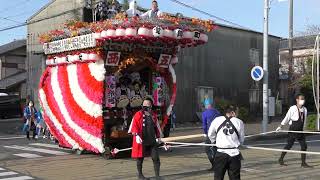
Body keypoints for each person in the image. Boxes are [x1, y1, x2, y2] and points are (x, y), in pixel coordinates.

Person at [128, 97, 163, 180]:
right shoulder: (138, 114)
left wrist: (159, 137)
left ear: (151, 105)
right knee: (140, 158)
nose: (145, 106)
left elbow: (157, 127)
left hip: (152, 140)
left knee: (156, 158)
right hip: (141, 140)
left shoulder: (153, 115)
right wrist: (136, 135)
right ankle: (140, 175)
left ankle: (157, 176)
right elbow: (134, 125)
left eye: (147, 104)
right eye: (144, 104)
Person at [208, 106, 245, 180]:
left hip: (220, 153)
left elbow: (210, 134)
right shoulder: (239, 122)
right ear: (232, 112)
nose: (237, 114)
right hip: (234, 154)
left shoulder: (217, 120)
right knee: (235, 177)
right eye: (237, 112)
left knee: (218, 177)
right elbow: (241, 139)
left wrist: (214, 142)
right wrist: (238, 143)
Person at [276, 93, 312, 168]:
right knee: (289, 145)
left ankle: (303, 163)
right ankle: (281, 159)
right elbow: (287, 117)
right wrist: (280, 126)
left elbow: (304, 121)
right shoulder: (293, 108)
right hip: (293, 130)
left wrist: (304, 129)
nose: (302, 100)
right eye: (301, 99)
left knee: (304, 146)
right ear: (297, 100)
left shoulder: (305, 109)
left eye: (303, 99)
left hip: (300, 131)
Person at [202, 98, 220, 171]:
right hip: (218, 133)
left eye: (205, 105)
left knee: (207, 149)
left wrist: (205, 133)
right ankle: (218, 165)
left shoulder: (205, 113)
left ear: (207, 105)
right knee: (216, 149)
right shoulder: (217, 112)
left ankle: (214, 165)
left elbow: (204, 125)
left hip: (209, 134)